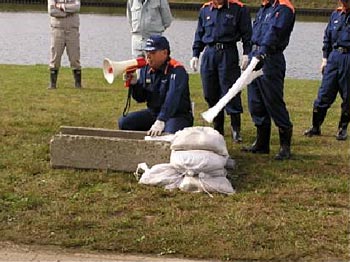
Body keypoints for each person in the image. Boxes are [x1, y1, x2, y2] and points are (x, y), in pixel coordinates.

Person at [190, 0, 252, 143]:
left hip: (228, 52)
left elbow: (247, 34)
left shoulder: (239, 8)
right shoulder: (205, 9)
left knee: (230, 91)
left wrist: (246, 53)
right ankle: (218, 128)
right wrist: (195, 54)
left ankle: (236, 129)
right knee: (210, 92)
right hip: (209, 53)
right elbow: (199, 33)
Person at [242, 0, 295, 160]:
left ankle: (285, 147)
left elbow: (275, 32)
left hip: (270, 58)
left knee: (273, 101)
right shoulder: (264, 7)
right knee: (255, 102)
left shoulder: (284, 7)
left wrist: (262, 53)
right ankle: (261, 143)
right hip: (255, 54)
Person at [118, 35, 194, 136]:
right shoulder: (146, 69)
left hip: (176, 115)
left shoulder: (177, 70)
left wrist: (161, 120)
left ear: (164, 53)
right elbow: (140, 98)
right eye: (147, 52)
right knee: (124, 122)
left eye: (152, 53)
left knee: (168, 134)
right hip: (153, 113)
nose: (148, 56)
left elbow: (172, 98)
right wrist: (135, 84)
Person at [304, 0, 350, 141]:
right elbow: (327, 38)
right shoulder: (335, 15)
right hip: (334, 57)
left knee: (348, 96)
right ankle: (315, 127)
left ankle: (342, 129)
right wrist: (325, 58)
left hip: (349, 58)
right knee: (324, 93)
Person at [48, 0, 82, 89]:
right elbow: (52, 11)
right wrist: (68, 13)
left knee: (75, 57)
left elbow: (77, 7)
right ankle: (52, 85)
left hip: (72, 30)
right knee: (55, 57)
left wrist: (61, 6)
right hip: (57, 30)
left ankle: (78, 84)